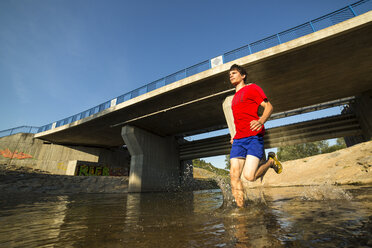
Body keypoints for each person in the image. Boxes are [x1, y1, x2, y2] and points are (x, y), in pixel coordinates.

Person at [228, 64, 282, 207]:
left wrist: (261, 120)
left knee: (249, 176)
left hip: (253, 137)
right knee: (234, 176)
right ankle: (241, 213)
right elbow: (238, 120)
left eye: (234, 73)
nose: (231, 75)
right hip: (239, 139)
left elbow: (269, 107)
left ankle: (270, 161)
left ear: (243, 75)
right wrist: (234, 135)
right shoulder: (233, 99)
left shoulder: (252, 88)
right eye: (230, 74)